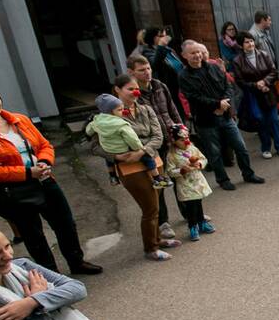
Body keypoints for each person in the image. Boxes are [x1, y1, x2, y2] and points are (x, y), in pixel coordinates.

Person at [0, 86, 101, 275]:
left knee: (65, 223)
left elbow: (44, 144)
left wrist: (43, 162)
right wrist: (26, 173)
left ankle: (77, 262)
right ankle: (51, 273)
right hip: (13, 190)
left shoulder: (19, 119)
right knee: (33, 234)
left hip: (43, 179)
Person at [89, 80, 181, 262]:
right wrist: (117, 157)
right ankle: (151, 248)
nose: (135, 92)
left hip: (153, 161)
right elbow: (95, 147)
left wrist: (141, 151)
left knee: (155, 205)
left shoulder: (146, 109)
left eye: (137, 89)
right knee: (150, 208)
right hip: (129, 168)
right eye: (130, 89)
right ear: (117, 90)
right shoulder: (104, 118)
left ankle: (157, 240)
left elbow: (158, 136)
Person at [178, 40, 265, 191]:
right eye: (192, 53)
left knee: (241, 147)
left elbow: (228, 86)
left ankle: (248, 174)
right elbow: (194, 97)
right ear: (184, 55)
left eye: (198, 52)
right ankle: (223, 179)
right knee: (215, 153)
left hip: (225, 116)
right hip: (206, 120)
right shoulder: (184, 76)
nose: (197, 55)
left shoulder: (214, 67)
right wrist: (217, 104)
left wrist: (224, 103)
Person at [127, 54, 184, 240]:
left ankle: (189, 213)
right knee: (158, 185)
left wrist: (180, 128)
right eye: (141, 70)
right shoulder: (131, 95)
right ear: (131, 72)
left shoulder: (160, 86)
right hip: (151, 146)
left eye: (148, 68)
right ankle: (164, 222)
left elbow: (172, 108)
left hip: (171, 139)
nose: (147, 73)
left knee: (180, 176)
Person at [232, 31, 279, 158]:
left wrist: (264, 82)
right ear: (241, 45)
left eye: (251, 41)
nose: (250, 44)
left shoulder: (264, 54)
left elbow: (273, 72)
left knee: (274, 120)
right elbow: (240, 81)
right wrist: (256, 85)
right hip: (253, 96)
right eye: (246, 42)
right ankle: (266, 147)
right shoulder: (237, 61)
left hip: (268, 92)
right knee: (260, 120)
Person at [164, 124, 213, 241]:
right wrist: (181, 170)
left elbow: (203, 158)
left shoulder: (193, 148)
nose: (186, 141)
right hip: (185, 184)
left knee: (198, 202)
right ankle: (192, 226)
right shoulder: (171, 155)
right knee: (191, 206)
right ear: (174, 141)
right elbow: (170, 171)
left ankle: (201, 222)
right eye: (182, 139)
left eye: (187, 138)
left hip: (196, 181)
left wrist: (200, 164)